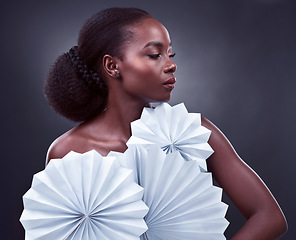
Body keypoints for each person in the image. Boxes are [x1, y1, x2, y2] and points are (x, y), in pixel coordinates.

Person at [44, 7, 287, 239]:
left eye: (170, 54)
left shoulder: (193, 132)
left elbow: (270, 217)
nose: (171, 65)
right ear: (112, 65)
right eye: (154, 55)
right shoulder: (67, 152)